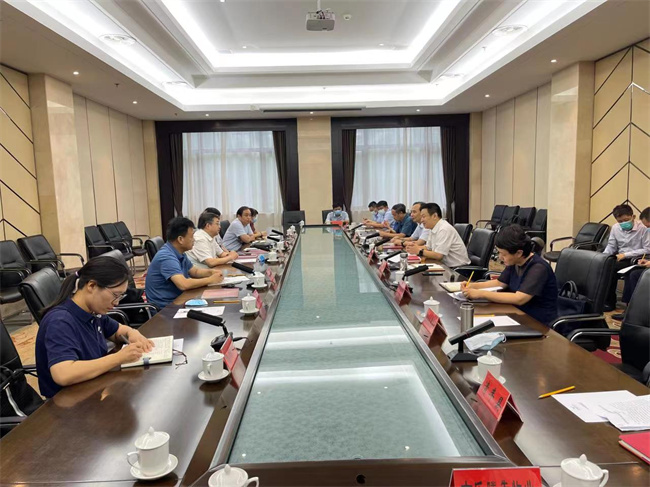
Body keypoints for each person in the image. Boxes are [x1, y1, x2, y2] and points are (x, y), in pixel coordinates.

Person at [35, 257, 154, 398]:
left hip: (93, 388)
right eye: (115, 295)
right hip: (67, 401)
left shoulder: (92, 311)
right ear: (91, 286)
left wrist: (132, 332)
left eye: (120, 297)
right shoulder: (60, 321)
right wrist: (119, 357)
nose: (116, 303)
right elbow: (63, 374)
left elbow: (117, 331)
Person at [462, 225, 559, 326]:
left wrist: (481, 294)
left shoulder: (538, 268)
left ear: (519, 253)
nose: (500, 257)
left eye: (503, 254)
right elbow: (500, 283)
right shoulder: (515, 261)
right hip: (516, 312)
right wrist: (473, 286)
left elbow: (519, 298)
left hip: (537, 321)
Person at [145, 217, 223, 308]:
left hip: (179, 299)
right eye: (191, 236)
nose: (194, 240)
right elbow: (183, 284)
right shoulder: (166, 256)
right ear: (180, 239)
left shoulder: (179, 252)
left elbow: (195, 271)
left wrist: (211, 272)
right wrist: (210, 280)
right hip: (165, 308)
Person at [602, 204, 650, 310]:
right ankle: (608, 302)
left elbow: (647, 249)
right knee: (606, 266)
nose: (623, 223)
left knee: (626, 272)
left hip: (636, 258)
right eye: (620, 221)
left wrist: (625, 255)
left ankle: (629, 307)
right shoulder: (615, 228)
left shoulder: (643, 228)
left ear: (633, 217)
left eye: (626, 220)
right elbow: (611, 246)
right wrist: (603, 257)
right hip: (621, 258)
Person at [407, 203, 470, 268]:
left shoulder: (444, 229)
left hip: (457, 269)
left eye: (423, 217)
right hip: (442, 265)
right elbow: (428, 247)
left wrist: (419, 251)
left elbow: (439, 255)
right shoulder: (433, 228)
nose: (421, 220)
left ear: (434, 216)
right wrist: (414, 247)